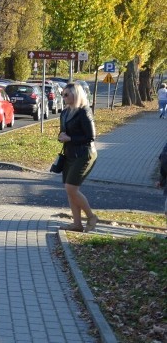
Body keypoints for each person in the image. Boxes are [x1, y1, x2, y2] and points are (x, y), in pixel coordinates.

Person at [57, 82, 98, 232]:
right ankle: (77, 224)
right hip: (69, 154)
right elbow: (64, 133)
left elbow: (91, 136)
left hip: (84, 154)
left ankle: (91, 216)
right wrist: (61, 137)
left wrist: (70, 139)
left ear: (76, 94)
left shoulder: (84, 111)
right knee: (70, 190)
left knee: (71, 188)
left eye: (66, 94)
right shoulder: (65, 112)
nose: (63, 97)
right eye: (63, 94)